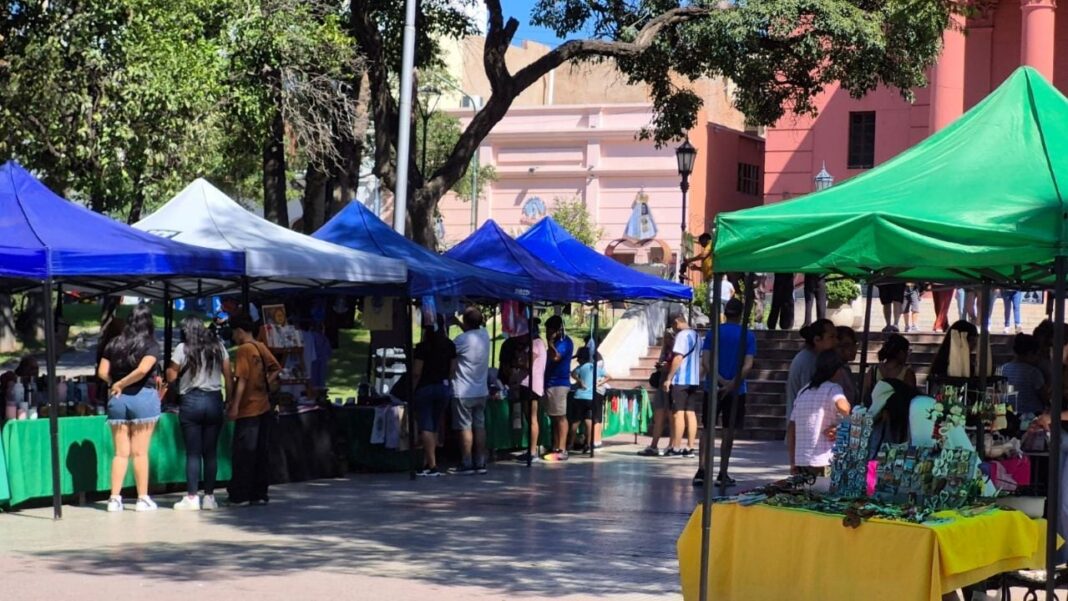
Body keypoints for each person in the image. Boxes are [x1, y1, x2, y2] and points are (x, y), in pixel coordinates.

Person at [96, 303, 161, 512]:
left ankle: (114, 498)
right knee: (140, 452)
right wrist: (123, 383)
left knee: (120, 453)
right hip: (143, 398)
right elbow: (143, 370)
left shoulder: (114, 343)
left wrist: (114, 384)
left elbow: (102, 371)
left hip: (118, 400)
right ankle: (142, 498)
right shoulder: (151, 345)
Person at [168, 317, 231, 511]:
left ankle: (192, 496)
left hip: (191, 400)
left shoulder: (182, 348)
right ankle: (210, 497)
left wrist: (173, 373)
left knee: (193, 452)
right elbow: (228, 375)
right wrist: (229, 400)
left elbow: (171, 375)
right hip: (214, 399)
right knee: (210, 451)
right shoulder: (218, 347)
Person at [697, 298, 756, 487]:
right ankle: (723, 471)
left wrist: (719, 380)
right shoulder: (748, 335)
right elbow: (748, 365)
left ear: (726, 313)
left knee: (707, 429)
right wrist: (732, 384)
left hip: (712, 386)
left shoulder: (713, 332)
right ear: (741, 314)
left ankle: (702, 469)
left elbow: (706, 361)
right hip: (737, 389)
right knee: (728, 430)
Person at [227, 315, 281, 506]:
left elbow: (241, 379)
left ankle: (240, 494)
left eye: (234, 333)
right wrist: (266, 382)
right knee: (260, 452)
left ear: (240, 331)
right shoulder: (260, 346)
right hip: (264, 406)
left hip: (248, 408)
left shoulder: (244, 350)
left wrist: (234, 404)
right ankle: (259, 493)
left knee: (244, 453)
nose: (233, 338)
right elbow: (276, 367)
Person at [787, 350, 851, 477]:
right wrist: (847, 418)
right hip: (825, 460)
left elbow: (791, 429)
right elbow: (844, 408)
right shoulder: (833, 389)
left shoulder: (803, 392)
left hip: (802, 460)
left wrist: (792, 461)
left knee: (807, 494)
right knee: (825, 494)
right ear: (837, 370)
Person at [412, 316, 456, 477]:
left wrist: (412, 389)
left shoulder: (423, 347)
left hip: (425, 388)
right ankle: (427, 461)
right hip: (443, 387)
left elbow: (417, 372)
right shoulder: (450, 345)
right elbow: (453, 369)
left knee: (425, 426)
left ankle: (432, 465)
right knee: (435, 425)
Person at [451, 307, 491, 474]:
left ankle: (466, 462)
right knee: (479, 426)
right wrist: (460, 322)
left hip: (463, 391)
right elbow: (472, 329)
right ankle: (480, 462)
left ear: (466, 322)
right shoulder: (485, 336)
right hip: (481, 390)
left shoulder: (459, 340)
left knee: (465, 427)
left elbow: (451, 354)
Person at [661, 314, 702, 458]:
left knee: (677, 413)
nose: (673, 329)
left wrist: (669, 378)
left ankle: (676, 447)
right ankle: (690, 447)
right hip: (693, 380)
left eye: (673, 326)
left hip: (681, 379)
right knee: (690, 413)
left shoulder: (681, 336)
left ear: (677, 322)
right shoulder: (697, 336)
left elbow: (678, 358)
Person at [785, 319, 838, 424]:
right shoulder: (808, 361)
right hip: (803, 426)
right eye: (831, 337)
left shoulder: (811, 358)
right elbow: (810, 397)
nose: (836, 341)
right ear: (817, 340)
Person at [514, 318, 547, 463]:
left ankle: (533, 451)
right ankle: (531, 449)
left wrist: (518, 363)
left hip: (531, 385)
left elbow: (528, 364)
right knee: (529, 418)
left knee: (532, 418)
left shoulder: (535, 344)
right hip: (531, 384)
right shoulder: (537, 343)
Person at [638, 328, 675, 456]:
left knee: (672, 417)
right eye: (666, 337)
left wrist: (665, 367)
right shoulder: (665, 350)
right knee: (658, 414)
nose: (668, 340)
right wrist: (660, 365)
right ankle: (654, 445)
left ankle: (672, 444)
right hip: (661, 383)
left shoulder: (677, 351)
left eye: (670, 337)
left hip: (671, 385)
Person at [543, 315, 575, 462]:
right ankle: (556, 446)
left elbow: (555, 357)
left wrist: (550, 342)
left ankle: (562, 449)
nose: (547, 333)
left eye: (549, 330)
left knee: (560, 417)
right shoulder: (557, 342)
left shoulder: (564, 342)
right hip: (550, 383)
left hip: (559, 383)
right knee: (554, 417)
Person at [998, 333, 1048, 419]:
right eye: (1037, 355)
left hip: (1008, 415)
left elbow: (1000, 394)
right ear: (1030, 354)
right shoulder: (1033, 372)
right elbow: (1044, 397)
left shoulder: (1002, 369)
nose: (1038, 358)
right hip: (1031, 415)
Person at [568, 348, 605, 453]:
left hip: (579, 397)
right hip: (591, 398)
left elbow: (572, 374)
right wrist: (599, 383)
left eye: (578, 358)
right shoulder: (595, 368)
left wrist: (579, 381)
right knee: (589, 422)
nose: (578, 360)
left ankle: (570, 443)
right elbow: (609, 376)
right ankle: (588, 444)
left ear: (581, 358)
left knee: (575, 422)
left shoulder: (580, 367)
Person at [862, 334, 917, 402]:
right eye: (907, 352)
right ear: (901, 353)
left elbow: (864, 393)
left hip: (875, 410)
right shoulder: (907, 373)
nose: (907, 355)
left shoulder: (874, 370)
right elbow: (912, 398)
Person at [832, 326, 859, 405]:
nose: (852, 349)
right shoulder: (836, 372)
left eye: (854, 344)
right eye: (846, 345)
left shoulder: (845, 368)